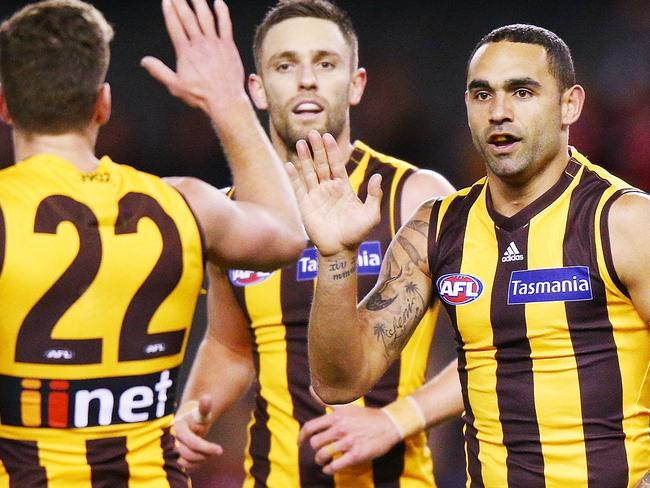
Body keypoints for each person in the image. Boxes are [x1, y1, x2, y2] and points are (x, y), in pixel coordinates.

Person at [292, 24, 650, 488]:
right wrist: (335, 257)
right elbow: (339, 382)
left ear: (570, 105)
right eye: (482, 95)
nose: (499, 112)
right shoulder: (436, 228)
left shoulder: (625, 222)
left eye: (522, 92)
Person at [0, 0, 305, 485]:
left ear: (5, 105)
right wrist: (227, 100)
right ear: (103, 104)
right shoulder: (181, 203)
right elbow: (287, 233)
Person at [173, 0, 456, 486]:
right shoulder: (235, 216)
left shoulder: (415, 196)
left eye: (325, 63)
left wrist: (396, 418)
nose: (306, 79)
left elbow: (499, 342)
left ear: (356, 84)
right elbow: (230, 346)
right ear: (257, 91)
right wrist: (189, 414)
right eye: (286, 65)